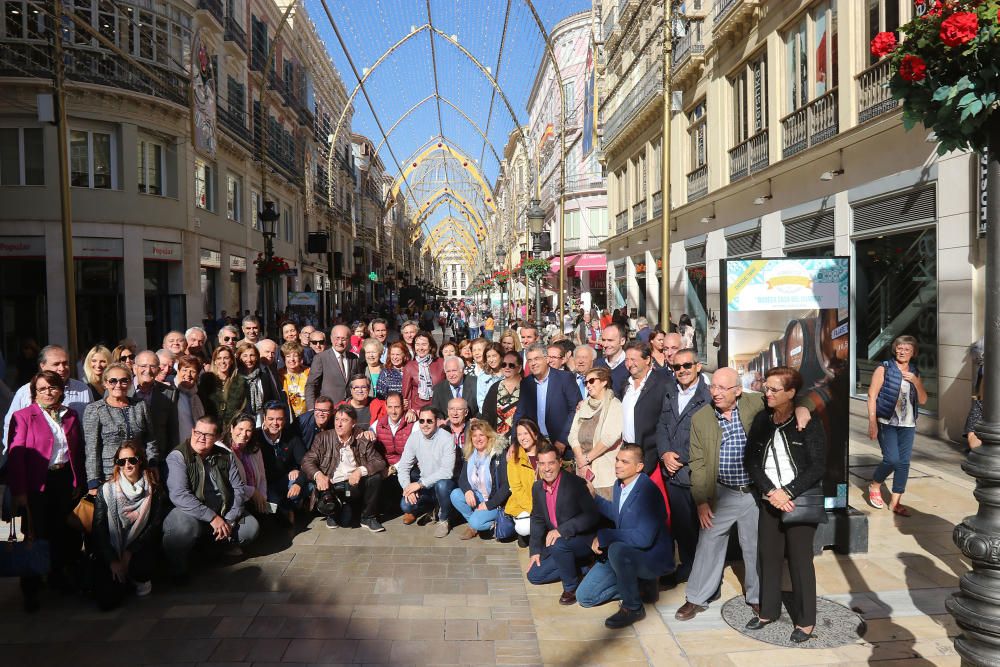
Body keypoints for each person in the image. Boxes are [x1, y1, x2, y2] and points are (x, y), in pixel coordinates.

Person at [673, 367, 810, 622]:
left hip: (754, 493)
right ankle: (696, 597)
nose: (716, 393)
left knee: (754, 547)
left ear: (738, 391)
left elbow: (791, 398)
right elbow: (699, 464)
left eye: (723, 388)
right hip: (721, 493)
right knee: (708, 543)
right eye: (713, 387)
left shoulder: (755, 403)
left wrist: (802, 408)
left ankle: (758, 598)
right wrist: (702, 501)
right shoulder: (701, 418)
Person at [744, 366, 826, 643]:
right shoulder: (761, 420)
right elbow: (751, 461)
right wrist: (771, 491)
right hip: (770, 499)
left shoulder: (808, 421)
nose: (767, 393)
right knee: (768, 555)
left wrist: (788, 492)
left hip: (798, 500)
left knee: (800, 560)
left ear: (791, 392)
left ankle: (806, 621)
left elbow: (818, 466)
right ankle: (768, 611)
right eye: (766, 388)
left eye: (774, 389)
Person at [6, 371, 86, 611]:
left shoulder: (70, 415)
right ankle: (30, 589)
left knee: (61, 530)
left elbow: (77, 451)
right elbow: (16, 455)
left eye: (52, 388)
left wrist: (78, 481)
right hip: (35, 483)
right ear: (34, 393)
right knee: (31, 533)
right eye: (42, 389)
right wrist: (19, 491)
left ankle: (57, 577)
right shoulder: (23, 417)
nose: (48, 392)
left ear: (61, 389)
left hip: (63, 480)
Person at [575, 444, 674, 628]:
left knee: (616, 548)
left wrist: (605, 536)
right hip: (627, 556)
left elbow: (644, 538)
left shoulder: (648, 492)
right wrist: (594, 497)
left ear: (639, 467)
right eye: (617, 460)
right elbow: (617, 514)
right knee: (585, 597)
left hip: (648, 558)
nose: (618, 465)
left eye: (624, 462)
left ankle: (633, 607)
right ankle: (640, 586)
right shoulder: (619, 485)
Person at [162, 417, 260, 580]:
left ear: (216, 438)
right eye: (198, 432)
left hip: (222, 511)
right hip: (190, 513)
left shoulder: (225, 456)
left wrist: (229, 519)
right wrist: (212, 517)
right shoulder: (178, 457)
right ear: (192, 431)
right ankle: (177, 567)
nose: (201, 437)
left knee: (250, 528)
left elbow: (238, 489)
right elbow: (179, 495)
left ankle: (216, 548)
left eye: (207, 435)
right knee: (184, 529)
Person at [655, 348, 712, 586]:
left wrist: (679, 457)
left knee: (704, 530)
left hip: (696, 474)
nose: (682, 371)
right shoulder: (669, 392)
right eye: (676, 367)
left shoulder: (708, 397)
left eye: (687, 366)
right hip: (673, 475)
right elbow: (662, 426)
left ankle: (707, 577)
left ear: (698, 366)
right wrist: (665, 453)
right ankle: (688, 567)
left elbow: (709, 437)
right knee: (682, 527)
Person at [526, 442, 599, 605]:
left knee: (558, 544)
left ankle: (571, 588)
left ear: (560, 463)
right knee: (535, 575)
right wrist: (535, 551)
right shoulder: (537, 487)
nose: (547, 468)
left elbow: (591, 515)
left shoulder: (575, 484)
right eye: (542, 464)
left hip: (581, 540)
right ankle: (583, 568)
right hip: (559, 544)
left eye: (551, 463)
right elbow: (537, 519)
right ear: (538, 465)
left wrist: (562, 530)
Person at [92, 443, 164, 609]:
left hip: (139, 549)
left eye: (132, 459)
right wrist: (112, 560)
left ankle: (137, 579)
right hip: (112, 549)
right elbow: (99, 528)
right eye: (122, 461)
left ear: (140, 461)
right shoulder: (106, 490)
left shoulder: (153, 488)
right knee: (107, 601)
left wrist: (130, 551)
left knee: (141, 568)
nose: (127, 465)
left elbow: (154, 525)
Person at [866, 335, 928, 516]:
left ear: (913, 353)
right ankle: (875, 484)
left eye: (907, 349)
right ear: (895, 349)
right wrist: (872, 422)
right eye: (900, 348)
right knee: (892, 459)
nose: (902, 352)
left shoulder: (915, 371)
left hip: (908, 424)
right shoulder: (883, 368)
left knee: (903, 463)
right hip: (887, 421)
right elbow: (872, 396)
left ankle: (895, 503)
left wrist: (916, 382)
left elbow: (923, 400)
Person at [303, 404, 387, 531]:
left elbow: (379, 461)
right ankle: (333, 512)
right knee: (345, 522)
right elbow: (307, 461)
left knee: (375, 478)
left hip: (354, 484)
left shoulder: (361, 439)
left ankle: (368, 517)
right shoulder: (323, 438)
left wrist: (360, 471)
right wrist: (319, 475)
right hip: (332, 485)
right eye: (337, 419)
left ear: (353, 423)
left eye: (344, 420)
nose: (339, 424)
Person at [84, 363, 157, 493]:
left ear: (129, 383)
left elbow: (150, 439)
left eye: (124, 380)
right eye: (113, 381)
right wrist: (93, 481)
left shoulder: (140, 405)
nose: (118, 385)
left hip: (139, 471)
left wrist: (153, 464)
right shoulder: (95, 409)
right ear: (105, 383)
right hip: (110, 474)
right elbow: (92, 448)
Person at [397, 406, 456, 538]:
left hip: (444, 484)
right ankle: (432, 508)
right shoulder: (414, 437)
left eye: (429, 421)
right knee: (406, 505)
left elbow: (447, 472)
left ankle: (444, 520)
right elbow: (403, 467)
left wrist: (419, 484)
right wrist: (407, 487)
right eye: (422, 421)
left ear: (437, 422)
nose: (425, 424)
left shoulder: (447, 438)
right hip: (426, 484)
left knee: (442, 485)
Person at [513, 344, 581, 458]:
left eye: (536, 359)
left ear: (546, 359)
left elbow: (575, 410)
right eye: (530, 360)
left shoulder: (565, 378)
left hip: (563, 445)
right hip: (536, 444)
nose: (533, 363)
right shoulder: (526, 383)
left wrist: (563, 440)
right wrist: (514, 442)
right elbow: (519, 414)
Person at [568, 366, 623, 499]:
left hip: (604, 474)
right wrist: (581, 460)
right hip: (582, 470)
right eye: (586, 382)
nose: (588, 385)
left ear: (604, 382)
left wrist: (586, 459)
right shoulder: (584, 404)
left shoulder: (615, 405)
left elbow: (609, 438)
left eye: (592, 381)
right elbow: (572, 435)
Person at [450, 419, 508, 539]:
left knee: (476, 521)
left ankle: (485, 525)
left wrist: (489, 504)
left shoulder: (498, 454)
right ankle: (474, 524)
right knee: (455, 495)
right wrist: (467, 491)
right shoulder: (471, 454)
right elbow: (462, 479)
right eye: (474, 436)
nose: (478, 439)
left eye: (482, 435)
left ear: (488, 436)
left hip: (495, 501)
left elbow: (506, 487)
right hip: (478, 496)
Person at [619, 341, 670, 478]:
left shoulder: (662, 383)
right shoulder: (625, 384)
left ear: (647, 359)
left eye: (633, 360)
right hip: (627, 454)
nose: (629, 364)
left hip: (651, 458)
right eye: (627, 360)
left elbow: (666, 421)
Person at [257, 401, 308, 523]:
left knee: (302, 487)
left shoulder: (292, 437)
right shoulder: (255, 437)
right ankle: (283, 508)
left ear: (285, 420)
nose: (275, 423)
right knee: (272, 511)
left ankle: (291, 506)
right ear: (264, 418)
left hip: (284, 480)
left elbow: (306, 463)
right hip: (263, 486)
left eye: (279, 419)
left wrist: (298, 482)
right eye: (270, 419)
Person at [131, 350, 179, 455]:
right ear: (135, 369)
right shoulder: (121, 389)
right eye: (143, 366)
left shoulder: (169, 392)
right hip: (128, 458)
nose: (148, 370)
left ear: (158, 370)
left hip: (158, 457)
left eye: (152, 366)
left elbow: (173, 431)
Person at [222, 413, 268, 516]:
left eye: (248, 431)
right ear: (232, 428)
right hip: (235, 501)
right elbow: (228, 484)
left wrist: (262, 498)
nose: (244, 434)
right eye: (240, 429)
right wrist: (252, 492)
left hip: (254, 500)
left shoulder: (255, 449)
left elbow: (262, 477)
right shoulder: (223, 451)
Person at [305, 325, 359, 409]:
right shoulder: (321, 358)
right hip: (328, 409)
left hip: (349, 409)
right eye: (337, 338)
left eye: (343, 339)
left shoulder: (354, 358)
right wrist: (311, 409)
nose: (340, 342)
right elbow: (311, 385)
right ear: (331, 338)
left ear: (349, 340)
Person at [198, 345, 249, 432]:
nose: (222, 361)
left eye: (226, 358)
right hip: (210, 429)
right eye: (219, 358)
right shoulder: (206, 381)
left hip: (233, 429)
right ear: (214, 361)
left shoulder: (240, 382)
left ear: (232, 360)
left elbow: (243, 407)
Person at [481, 351, 522, 440]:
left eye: (511, 365)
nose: (507, 368)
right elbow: (486, 416)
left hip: (522, 440)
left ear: (519, 368)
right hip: (499, 442)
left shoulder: (527, 386)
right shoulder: (495, 387)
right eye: (504, 365)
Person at [236, 342, 282, 422]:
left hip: (261, 421)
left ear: (257, 357)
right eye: (245, 356)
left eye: (252, 355)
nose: (249, 359)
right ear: (239, 358)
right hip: (242, 424)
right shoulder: (235, 378)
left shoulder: (263, 376)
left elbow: (269, 400)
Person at [402, 332, 444, 417]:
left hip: (438, 409)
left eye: (424, 344)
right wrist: (410, 410)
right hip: (417, 410)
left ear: (430, 346)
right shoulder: (409, 366)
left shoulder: (441, 362)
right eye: (417, 344)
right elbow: (406, 394)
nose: (420, 348)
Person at [172, 354, 206, 440]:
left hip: (193, 444)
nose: (188, 374)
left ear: (198, 375)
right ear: (178, 371)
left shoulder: (199, 397)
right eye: (184, 370)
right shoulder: (171, 392)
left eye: (193, 371)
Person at [596, 323, 628, 395]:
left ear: (622, 341)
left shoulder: (630, 365)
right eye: (604, 340)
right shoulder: (598, 364)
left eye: (610, 340)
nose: (605, 345)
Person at [280, 341, 310, 418]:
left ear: (300, 358)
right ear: (284, 358)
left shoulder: (309, 372)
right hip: (287, 417)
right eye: (288, 356)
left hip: (307, 416)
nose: (292, 359)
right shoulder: (279, 375)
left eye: (295, 356)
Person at [476, 342, 503, 412]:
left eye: (494, 356)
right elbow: (481, 401)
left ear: (501, 356)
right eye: (488, 357)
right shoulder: (483, 376)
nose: (491, 360)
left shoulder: (508, 373)